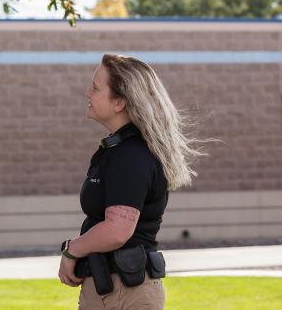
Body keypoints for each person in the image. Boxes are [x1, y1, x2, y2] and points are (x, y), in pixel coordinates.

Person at [58, 54, 206, 309]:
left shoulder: (130, 155)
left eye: (95, 88)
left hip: (125, 292)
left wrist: (72, 250)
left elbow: (117, 231)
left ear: (119, 103)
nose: (87, 93)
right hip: (112, 287)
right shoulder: (119, 150)